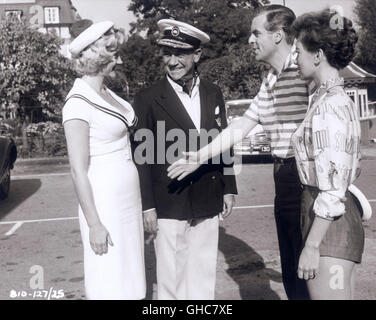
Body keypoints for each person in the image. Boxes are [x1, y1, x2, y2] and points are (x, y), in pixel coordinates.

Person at [167, 5, 311, 300]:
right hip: (284, 176)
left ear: (279, 35)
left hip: (308, 179)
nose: (250, 40)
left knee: (311, 269)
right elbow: (243, 124)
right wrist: (200, 156)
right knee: (292, 270)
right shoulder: (270, 77)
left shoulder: (307, 67)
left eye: (256, 33)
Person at [131, 19, 238, 300]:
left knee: (203, 274)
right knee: (171, 278)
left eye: (180, 54)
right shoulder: (147, 98)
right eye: (167, 54)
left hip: (207, 193)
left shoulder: (213, 92)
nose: (173, 61)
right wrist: (147, 207)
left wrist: (229, 187)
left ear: (197, 55)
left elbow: (222, 142)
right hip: (168, 200)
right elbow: (141, 157)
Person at [62, 21, 146, 300]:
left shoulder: (108, 93)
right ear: (95, 57)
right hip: (104, 202)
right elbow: (77, 170)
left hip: (128, 198)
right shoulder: (77, 103)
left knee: (131, 272)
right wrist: (94, 224)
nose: (119, 59)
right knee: (110, 275)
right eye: (113, 54)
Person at [291, 8, 364, 299]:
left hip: (328, 225)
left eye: (298, 52)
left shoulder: (330, 106)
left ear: (317, 55)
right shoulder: (325, 98)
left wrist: (312, 245)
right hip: (326, 221)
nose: (295, 59)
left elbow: (333, 189)